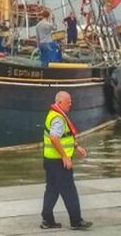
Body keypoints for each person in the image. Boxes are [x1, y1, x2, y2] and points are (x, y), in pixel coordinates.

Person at [41, 90, 93, 230]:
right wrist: (65, 157)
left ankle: (47, 220)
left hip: (50, 160)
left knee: (52, 189)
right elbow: (54, 138)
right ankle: (76, 221)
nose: (71, 104)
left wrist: (76, 146)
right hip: (59, 162)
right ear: (59, 102)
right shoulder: (58, 118)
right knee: (69, 190)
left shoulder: (53, 114)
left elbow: (65, 136)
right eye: (68, 101)